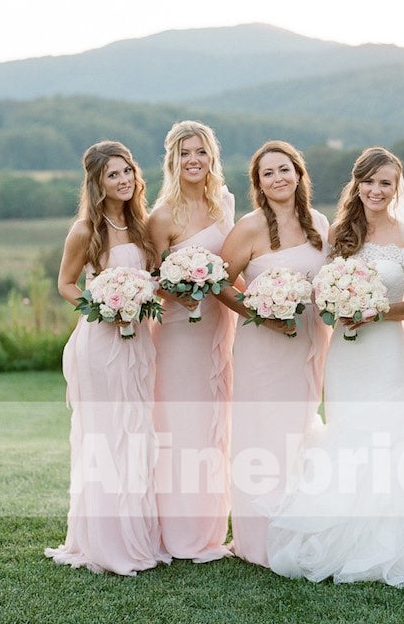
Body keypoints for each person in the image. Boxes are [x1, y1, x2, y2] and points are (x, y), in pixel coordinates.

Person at [265, 146, 404, 587]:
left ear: (396, 188)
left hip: (386, 349)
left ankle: (390, 538)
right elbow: (323, 291)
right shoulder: (340, 231)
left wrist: (377, 312)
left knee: (389, 430)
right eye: (369, 181)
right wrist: (341, 306)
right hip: (347, 353)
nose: (376, 190)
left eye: (385, 183)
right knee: (348, 428)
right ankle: (342, 534)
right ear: (357, 184)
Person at [45, 141, 169, 576]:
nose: (123, 180)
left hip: (138, 342)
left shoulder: (141, 227)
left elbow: (155, 279)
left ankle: (136, 537)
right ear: (97, 183)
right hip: (100, 343)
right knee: (105, 435)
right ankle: (103, 541)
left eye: (128, 171)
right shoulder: (85, 230)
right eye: (113, 174)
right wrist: (101, 309)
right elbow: (66, 283)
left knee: (135, 432)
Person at [218, 140, 332, 567]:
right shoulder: (249, 227)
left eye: (285, 169)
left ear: (299, 174)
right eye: (268, 173)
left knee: (298, 427)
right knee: (261, 430)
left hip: (307, 339)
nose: (278, 178)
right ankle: (258, 538)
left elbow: (328, 280)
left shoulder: (319, 223)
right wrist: (261, 313)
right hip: (262, 344)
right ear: (258, 184)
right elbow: (221, 284)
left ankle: (296, 524)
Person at [149, 120, 236, 561]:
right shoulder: (162, 216)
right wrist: (179, 286)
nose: (194, 160)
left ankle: (207, 528)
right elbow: (151, 281)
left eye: (201, 152)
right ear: (173, 161)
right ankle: (177, 530)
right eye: (185, 153)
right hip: (179, 331)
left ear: (212, 158)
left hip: (219, 327)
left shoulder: (225, 204)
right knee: (180, 424)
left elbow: (233, 265)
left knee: (211, 424)